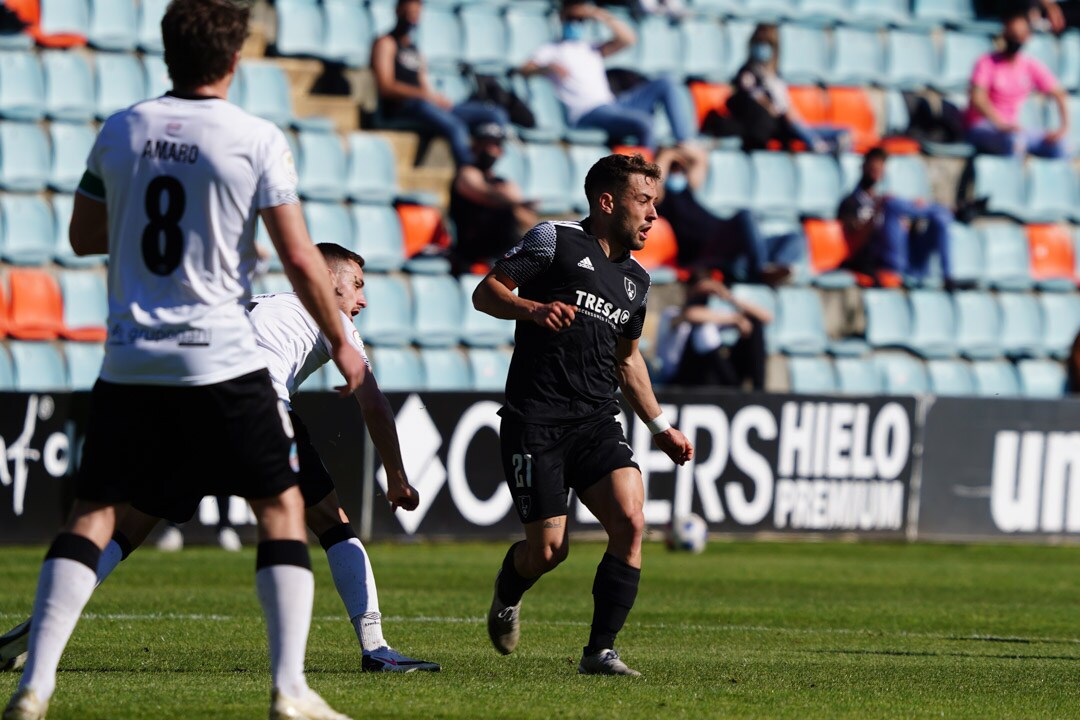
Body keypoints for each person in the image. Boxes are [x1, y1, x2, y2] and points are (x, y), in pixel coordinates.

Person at [2, 1, 367, 718]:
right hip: (221, 359)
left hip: (133, 357)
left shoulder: (123, 128)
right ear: (233, 61)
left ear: (168, 54)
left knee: (93, 515)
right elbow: (300, 257)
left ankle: (32, 686)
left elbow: (81, 236)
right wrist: (346, 349)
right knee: (282, 509)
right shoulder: (255, 137)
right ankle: (290, 690)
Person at [0, 243, 439, 680]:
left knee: (130, 527)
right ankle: (375, 649)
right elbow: (374, 402)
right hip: (257, 407)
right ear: (327, 281)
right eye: (357, 286)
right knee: (330, 522)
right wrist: (397, 477)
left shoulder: (261, 303)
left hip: (188, 404)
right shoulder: (328, 314)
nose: (362, 299)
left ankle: (44, 625)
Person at [472, 153, 695, 676]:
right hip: (536, 419)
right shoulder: (553, 239)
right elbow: (487, 292)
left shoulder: (637, 281)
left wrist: (660, 427)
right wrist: (533, 309)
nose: (653, 216)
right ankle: (509, 588)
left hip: (596, 420)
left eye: (655, 204)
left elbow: (627, 357)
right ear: (607, 201)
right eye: (644, 202)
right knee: (549, 551)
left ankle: (600, 651)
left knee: (631, 521)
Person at [518, 0, 696, 152]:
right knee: (645, 123)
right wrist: (548, 68)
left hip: (611, 105)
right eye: (572, 19)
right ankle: (644, 178)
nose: (576, 23)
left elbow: (628, 39)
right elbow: (524, 69)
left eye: (580, 19)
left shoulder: (590, 48)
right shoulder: (551, 50)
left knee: (666, 82)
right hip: (586, 113)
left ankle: (684, 141)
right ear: (562, 18)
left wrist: (597, 13)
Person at [370, 0, 508, 167]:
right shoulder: (386, 43)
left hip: (424, 104)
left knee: (495, 114)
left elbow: (423, 85)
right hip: (402, 107)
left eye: (416, 13)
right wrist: (424, 96)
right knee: (456, 127)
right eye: (409, 13)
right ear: (398, 11)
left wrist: (435, 99)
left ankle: (489, 163)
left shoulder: (415, 49)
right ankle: (468, 171)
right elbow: (386, 87)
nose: (412, 18)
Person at [655, 145, 797, 285]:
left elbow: (701, 159)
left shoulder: (687, 190)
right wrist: (667, 155)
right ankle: (759, 271)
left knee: (794, 237)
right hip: (704, 251)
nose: (678, 171)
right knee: (745, 215)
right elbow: (654, 186)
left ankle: (773, 268)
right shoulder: (663, 199)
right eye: (674, 167)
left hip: (728, 243)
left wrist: (679, 150)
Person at [837, 148, 954, 288]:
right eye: (873, 169)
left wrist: (909, 222)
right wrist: (878, 211)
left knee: (940, 220)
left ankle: (948, 276)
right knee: (892, 205)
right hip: (880, 260)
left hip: (907, 255)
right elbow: (855, 238)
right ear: (863, 167)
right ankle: (941, 209)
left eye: (880, 170)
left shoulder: (880, 198)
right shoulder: (850, 202)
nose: (877, 173)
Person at [726, 24, 848, 153]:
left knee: (838, 132)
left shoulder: (774, 74)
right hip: (767, 124)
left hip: (785, 121)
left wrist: (788, 112)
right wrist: (776, 109)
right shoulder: (747, 73)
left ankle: (824, 140)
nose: (763, 49)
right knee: (794, 124)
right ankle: (816, 144)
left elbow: (783, 100)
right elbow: (754, 97)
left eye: (768, 45)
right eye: (760, 43)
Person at [965, 10, 1069, 157]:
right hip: (983, 126)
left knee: (1059, 147)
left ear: (1027, 37)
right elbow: (978, 98)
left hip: (1013, 128)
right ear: (1005, 34)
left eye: (1019, 36)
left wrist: (1063, 128)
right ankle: (1009, 178)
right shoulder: (986, 62)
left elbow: (1059, 92)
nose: (1015, 40)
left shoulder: (1029, 65)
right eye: (1012, 35)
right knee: (1015, 141)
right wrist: (1000, 124)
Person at [448, 123, 539, 272]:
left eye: (495, 145)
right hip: (471, 248)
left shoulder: (503, 182)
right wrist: (515, 204)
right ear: (475, 146)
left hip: (502, 246)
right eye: (486, 144)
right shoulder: (466, 174)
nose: (490, 150)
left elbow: (526, 216)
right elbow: (486, 195)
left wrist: (519, 207)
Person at [664, 273, 771, 390]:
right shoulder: (671, 313)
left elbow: (766, 317)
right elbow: (691, 315)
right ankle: (733, 386)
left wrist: (729, 296)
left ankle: (758, 387)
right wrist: (736, 319)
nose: (704, 298)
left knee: (754, 323)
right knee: (703, 330)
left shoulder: (714, 315)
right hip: (680, 376)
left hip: (711, 374)